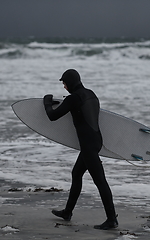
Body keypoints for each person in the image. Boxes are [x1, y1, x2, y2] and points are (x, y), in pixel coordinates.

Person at [43, 69, 118, 230]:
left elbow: (52, 116)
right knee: (76, 174)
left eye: (64, 83)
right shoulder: (91, 94)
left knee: (100, 181)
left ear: (70, 82)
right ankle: (67, 212)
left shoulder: (73, 99)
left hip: (88, 146)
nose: (64, 86)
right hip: (96, 141)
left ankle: (112, 219)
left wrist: (47, 102)